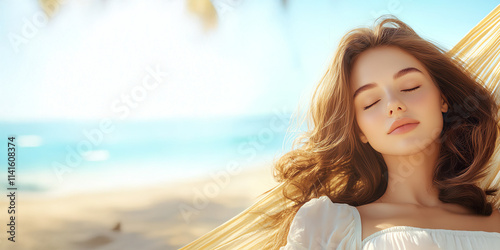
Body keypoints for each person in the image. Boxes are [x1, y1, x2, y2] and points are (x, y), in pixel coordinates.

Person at [274, 15, 500, 249]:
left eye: (410, 86)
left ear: (442, 99)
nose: (394, 105)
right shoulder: (330, 227)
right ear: (359, 130)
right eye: (370, 102)